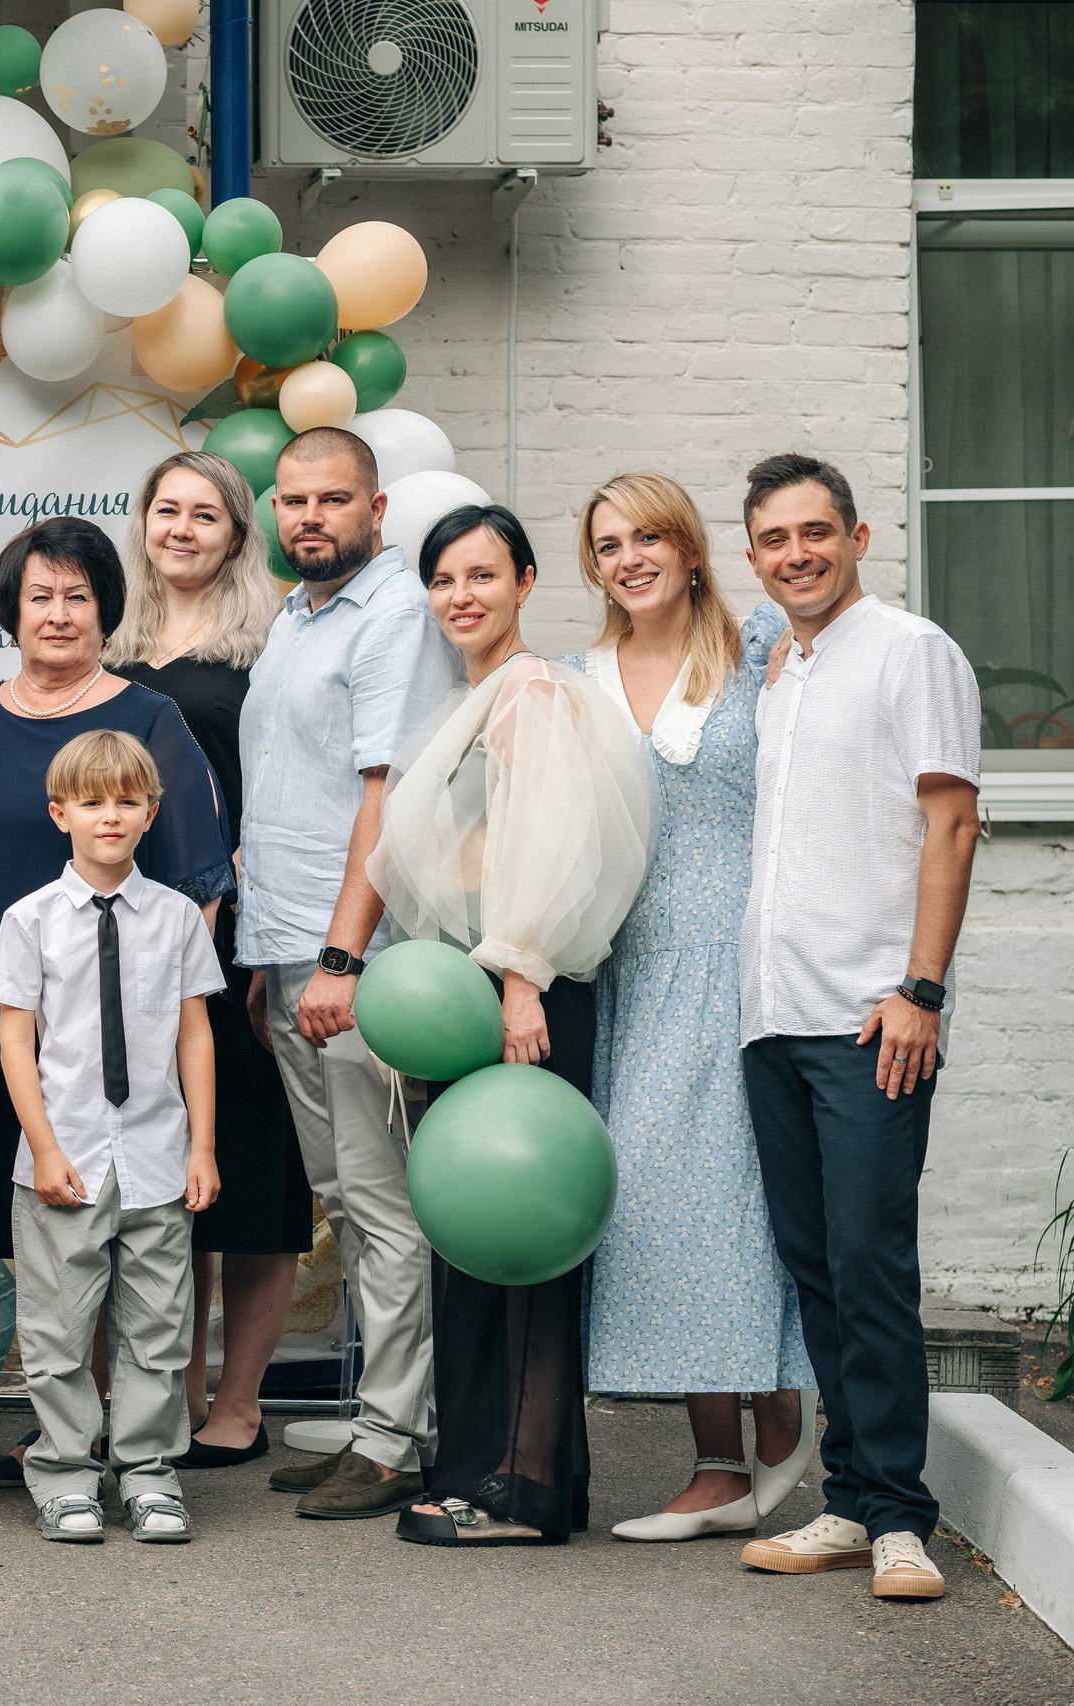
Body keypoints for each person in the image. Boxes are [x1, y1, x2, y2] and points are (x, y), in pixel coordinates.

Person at [368, 503, 656, 1548]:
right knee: (475, 1236)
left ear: (526, 582)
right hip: (471, 989)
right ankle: (483, 1468)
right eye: (443, 579)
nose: (461, 596)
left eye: (482, 574)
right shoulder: (477, 692)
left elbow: (548, 836)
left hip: (515, 990)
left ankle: (524, 1486)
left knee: (524, 1241)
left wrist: (521, 976)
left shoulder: (532, 690)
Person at [730, 454, 981, 1602]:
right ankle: (845, 1500)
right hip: (774, 1014)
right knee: (818, 1269)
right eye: (775, 538)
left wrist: (918, 988)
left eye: (815, 532)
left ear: (859, 535)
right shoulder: (782, 666)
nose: (798, 553)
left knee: (871, 1265)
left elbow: (953, 821)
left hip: (869, 1011)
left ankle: (897, 1518)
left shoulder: (908, 649)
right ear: (753, 555)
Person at [0, 516, 231, 1492]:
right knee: (45, 1234)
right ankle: (63, 1439)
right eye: (39, 595)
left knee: (138, 1242)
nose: (58, 613)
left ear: (106, 608)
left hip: (120, 1030)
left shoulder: (147, 717)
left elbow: (196, 872)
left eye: (77, 595)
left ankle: (134, 1442)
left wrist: (138, 998)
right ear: (10, 611)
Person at [564, 472, 818, 1543]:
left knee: (755, 1197)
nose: (628, 558)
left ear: (689, 546)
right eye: (607, 543)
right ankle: (713, 1461)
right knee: (657, 1199)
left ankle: (779, 1421)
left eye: (647, 537)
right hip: (637, 964)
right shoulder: (579, 677)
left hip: (751, 959)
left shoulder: (758, 649)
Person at [236, 428, 459, 1522]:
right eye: (291, 499)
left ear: (377, 510)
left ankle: (390, 1439)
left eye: (332, 499)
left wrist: (337, 958)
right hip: (287, 956)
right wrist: (273, 958)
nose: (308, 516)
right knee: (347, 1198)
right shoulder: (295, 616)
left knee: (382, 1202)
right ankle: (387, 1419)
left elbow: (386, 794)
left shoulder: (396, 616)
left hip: (353, 962)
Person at [102, 450, 313, 1470]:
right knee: (153, 1167)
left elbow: (287, 797)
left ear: (238, 535)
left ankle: (237, 1398)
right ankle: (166, 1391)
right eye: (165, 510)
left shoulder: (266, 648)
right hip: (122, 936)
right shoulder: (109, 640)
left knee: (255, 1168)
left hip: (232, 934)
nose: (181, 528)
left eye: (205, 514)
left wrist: (268, 931)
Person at [0, 730, 224, 1545]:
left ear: (151, 811)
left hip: (158, 1155)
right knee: (56, 1330)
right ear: (61, 814)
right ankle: (63, 1472)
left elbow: (195, 1033)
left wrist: (202, 1146)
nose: (110, 816)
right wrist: (44, 1147)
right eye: (92, 802)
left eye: (128, 800)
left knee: (158, 1329)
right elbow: (15, 1040)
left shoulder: (177, 920)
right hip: (66, 1155)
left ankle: (150, 1475)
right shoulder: (29, 922)